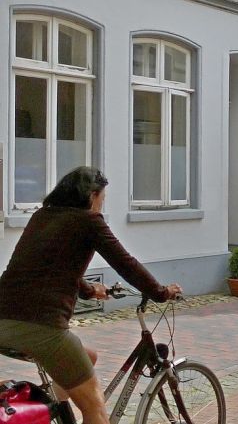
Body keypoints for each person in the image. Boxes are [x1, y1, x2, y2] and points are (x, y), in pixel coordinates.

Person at [0, 167, 182, 424]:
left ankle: (57, 413)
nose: (101, 206)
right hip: (41, 327)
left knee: (89, 357)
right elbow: (126, 264)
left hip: (3, 319)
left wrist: (88, 290)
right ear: (92, 195)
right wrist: (161, 293)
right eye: (102, 199)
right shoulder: (89, 221)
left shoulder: (42, 216)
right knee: (95, 408)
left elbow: (44, 268)